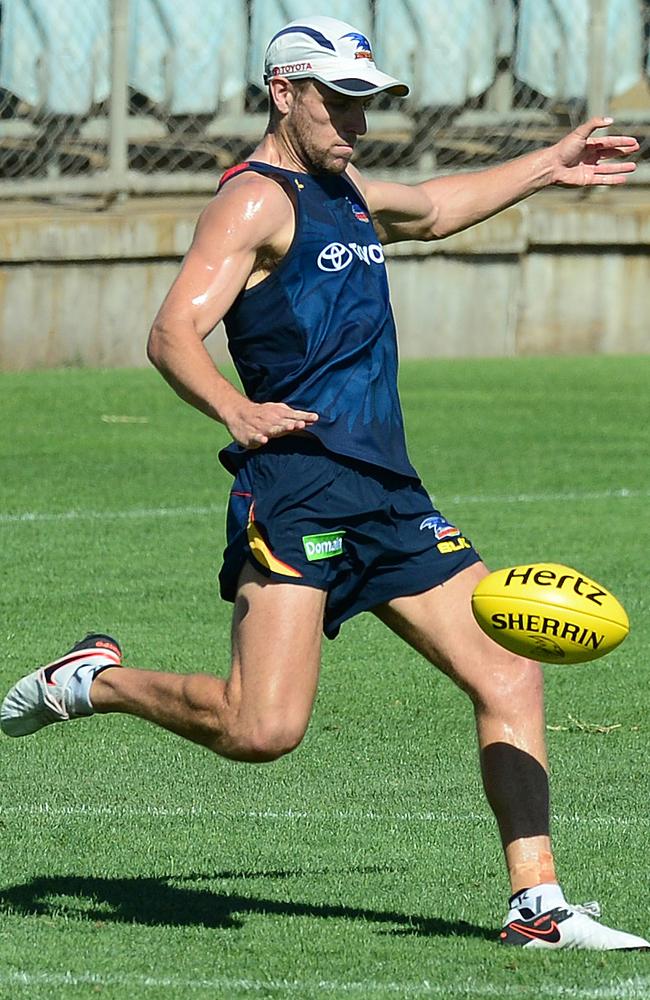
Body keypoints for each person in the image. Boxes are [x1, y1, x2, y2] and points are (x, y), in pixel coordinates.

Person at [2, 15, 646, 951]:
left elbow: (429, 207)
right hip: (297, 488)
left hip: (387, 490)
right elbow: (171, 333)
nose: (356, 119)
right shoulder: (252, 202)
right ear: (284, 93)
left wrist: (548, 163)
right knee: (261, 730)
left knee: (509, 671)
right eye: (338, 100)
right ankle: (94, 681)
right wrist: (234, 408)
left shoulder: (343, 187)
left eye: (366, 101)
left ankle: (537, 905)